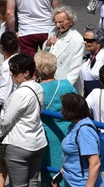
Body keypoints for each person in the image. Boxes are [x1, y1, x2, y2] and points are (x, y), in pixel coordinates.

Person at [0, 53, 47, 187]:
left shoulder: (19, 93)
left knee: (19, 185)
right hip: (38, 142)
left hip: (18, 144)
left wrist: (1, 134)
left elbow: (7, 121)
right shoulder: (38, 88)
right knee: (33, 183)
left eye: (14, 71)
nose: (11, 74)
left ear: (26, 73)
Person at [36, 50, 77, 187]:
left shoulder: (37, 89)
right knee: (66, 169)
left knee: (48, 173)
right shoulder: (66, 85)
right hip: (66, 133)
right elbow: (79, 105)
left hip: (46, 135)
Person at [58, 93, 104, 187]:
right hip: (72, 182)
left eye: (63, 107)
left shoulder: (84, 131)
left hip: (82, 183)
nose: (61, 110)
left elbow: (95, 163)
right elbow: (72, 157)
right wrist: (61, 173)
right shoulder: (75, 126)